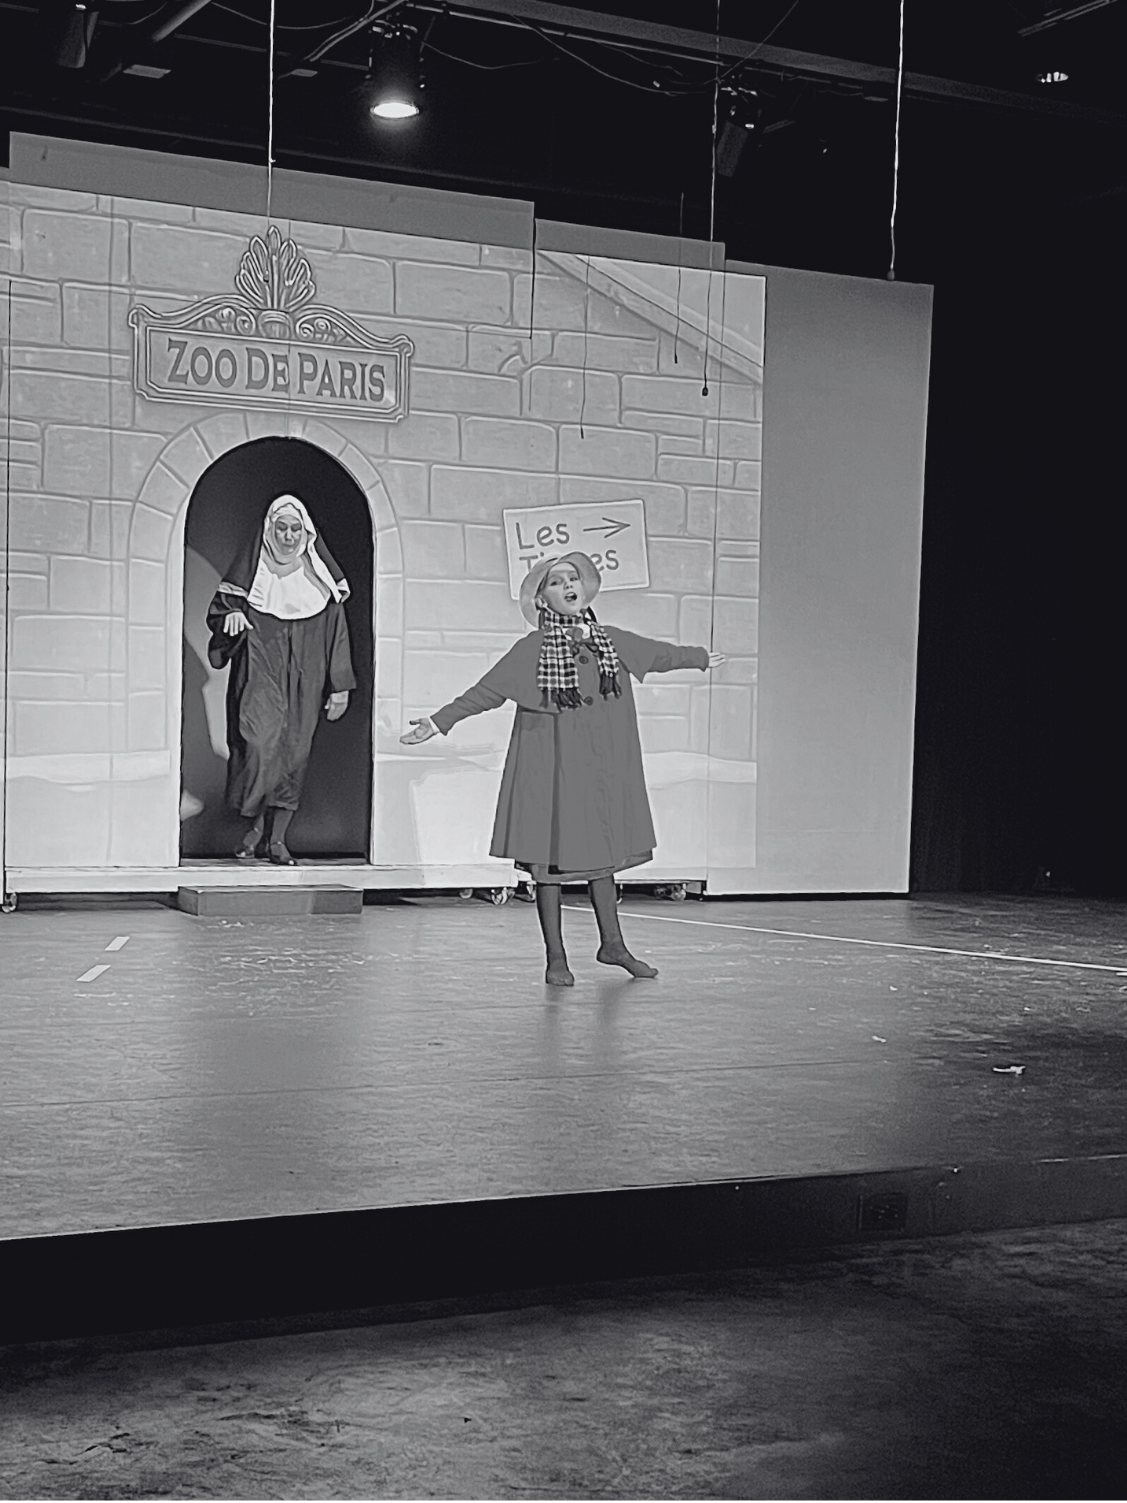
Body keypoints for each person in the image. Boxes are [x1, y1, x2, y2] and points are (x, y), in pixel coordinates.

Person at [400, 552, 725, 985]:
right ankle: (556, 957)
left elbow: (658, 655)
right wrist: (439, 721)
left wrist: (699, 657)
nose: (568, 585)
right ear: (541, 599)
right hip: (552, 766)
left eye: (573, 578)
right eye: (556, 582)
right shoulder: (533, 650)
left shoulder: (607, 641)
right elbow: (486, 691)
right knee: (549, 861)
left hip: (602, 768)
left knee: (602, 856)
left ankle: (613, 945)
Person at [207, 494, 355, 865]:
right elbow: (222, 618)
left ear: (306, 534)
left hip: (308, 674)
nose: (288, 537)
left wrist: (339, 686)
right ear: (269, 530)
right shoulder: (250, 577)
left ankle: (274, 839)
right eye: (281, 528)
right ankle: (255, 828)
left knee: (294, 755)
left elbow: (337, 635)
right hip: (261, 672)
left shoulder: (322, 585)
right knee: (259, 744)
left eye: (295, 529)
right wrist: (231, 623)